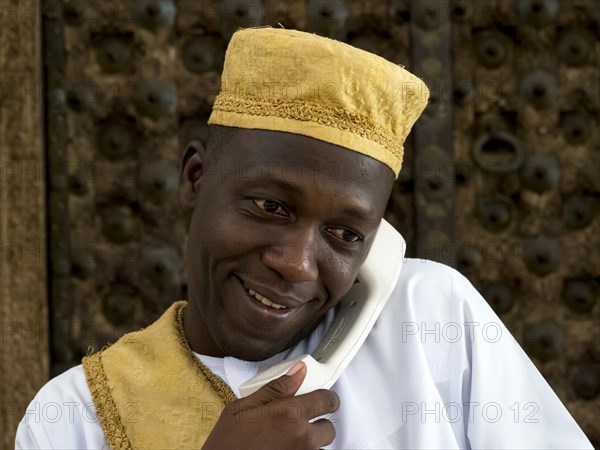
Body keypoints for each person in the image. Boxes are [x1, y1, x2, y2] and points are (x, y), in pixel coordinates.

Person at [16, 28, 592, 449]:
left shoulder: (428, 316)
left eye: (344, 234)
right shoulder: (75, 417)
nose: (296, 264)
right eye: (270, 206)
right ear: (196, 177)